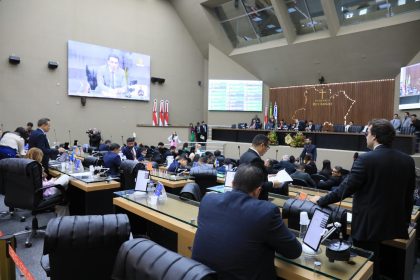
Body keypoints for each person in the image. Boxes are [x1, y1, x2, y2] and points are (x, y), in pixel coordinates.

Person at [311, 119, 415, 279]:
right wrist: (405, 222)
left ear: (374, 137)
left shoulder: (365, 160)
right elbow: (409, 196)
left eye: (367, 133)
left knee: (365, 265)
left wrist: (319, 200)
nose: (365, 136)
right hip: (394, 223)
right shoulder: (407, 160)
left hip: (369, 225)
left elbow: (343, 190)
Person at [192, 164, 302, 280]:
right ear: (258, 191)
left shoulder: (208, 200)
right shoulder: (266, 211)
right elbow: (294, 251)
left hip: (203, 276)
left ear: (233, 184)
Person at [26, 147, 70, 216]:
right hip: (45, 193)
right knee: (66, 177)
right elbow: (40, 185)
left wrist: (51, 181)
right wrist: (51, 181)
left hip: (37, 193)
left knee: (62, 201)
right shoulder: (36, 168)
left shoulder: (27, 166)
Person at [239, 134, 282, 200]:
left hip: (244, 194)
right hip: (256, 199)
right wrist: (274, 184)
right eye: (267, 147)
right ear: (262, 145)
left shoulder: (244, 155)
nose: (267, 150)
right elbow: (258, 184)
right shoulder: (256, 159)